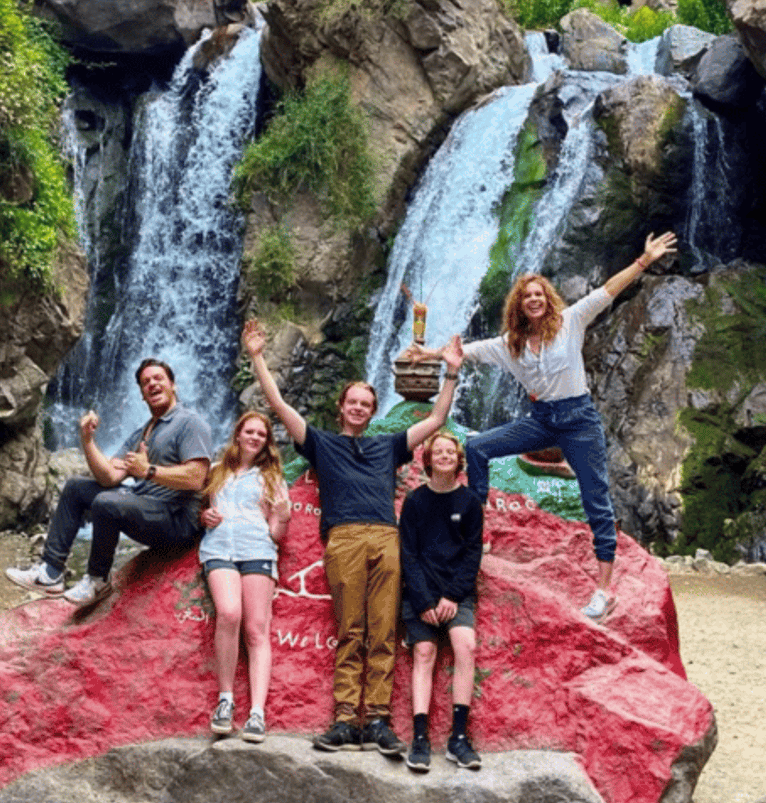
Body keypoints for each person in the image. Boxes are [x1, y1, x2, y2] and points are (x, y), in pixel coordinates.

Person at [413, 232, 677, 624]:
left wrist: (643, 261)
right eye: (526, 296)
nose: (534, 299)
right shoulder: (510, 344)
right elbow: (462, 352)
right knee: (480, 447)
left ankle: (604, 591)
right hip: (540, 421)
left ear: (548, 299)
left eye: (539, 294)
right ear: (518, 305)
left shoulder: (571, 322)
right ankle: (478, 531)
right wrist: (430, 353)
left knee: (596, 499)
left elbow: (607, 291)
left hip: (578, 421)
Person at [242, 317, 463, 756]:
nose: (359, 408)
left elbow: (438, 417)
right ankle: (345, 720)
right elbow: (279, 405)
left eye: (366, 403)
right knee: (351, 630)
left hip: (386, 538)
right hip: (342, 538)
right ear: (341, 409)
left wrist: (451, 371)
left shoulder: (389, 445)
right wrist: (257, 357)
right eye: (353, 403)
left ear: (371, 410)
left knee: (383, 631)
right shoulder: (321, 443)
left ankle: (378, 721)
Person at [6, 358, 212, 604]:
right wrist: (87, 440)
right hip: (146, 507)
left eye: (158, 378)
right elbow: (108, 476)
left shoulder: (189, 422)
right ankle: (50, 573)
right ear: (142, 395)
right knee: (75, 488)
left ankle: (97, 580)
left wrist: (148, 471)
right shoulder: (143, 431)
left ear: (173, 385)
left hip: (177, 519)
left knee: (107, 502)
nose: (152, 384)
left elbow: (197, 477)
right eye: (146, 382)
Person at [200, 411, 291, 744]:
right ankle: (225, 701)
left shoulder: (272, 477)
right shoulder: (216, 472)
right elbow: (204, 511)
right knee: (228, 614)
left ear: (267, 442)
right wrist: (205, 515)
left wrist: (281, 517)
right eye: (249, 431)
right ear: (237, 434)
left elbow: (277, 533)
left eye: (261, 434)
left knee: (256, 629)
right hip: (219, 550)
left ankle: (257, 713)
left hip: (258, 551)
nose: (254, 437)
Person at [399, 431, 484, 773]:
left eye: (452, 452)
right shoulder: (415, 501)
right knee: (424, 653)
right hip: (421, 592)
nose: (446, 456)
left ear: (459, 460)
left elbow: (472, 553)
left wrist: (451, 595)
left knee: (465, 647)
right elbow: (408, 553)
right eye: (440, 452)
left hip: (456, 593)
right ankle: (420, 738)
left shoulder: (469, 503)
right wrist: (423, 600)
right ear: (429, 459)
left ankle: (458, 738)